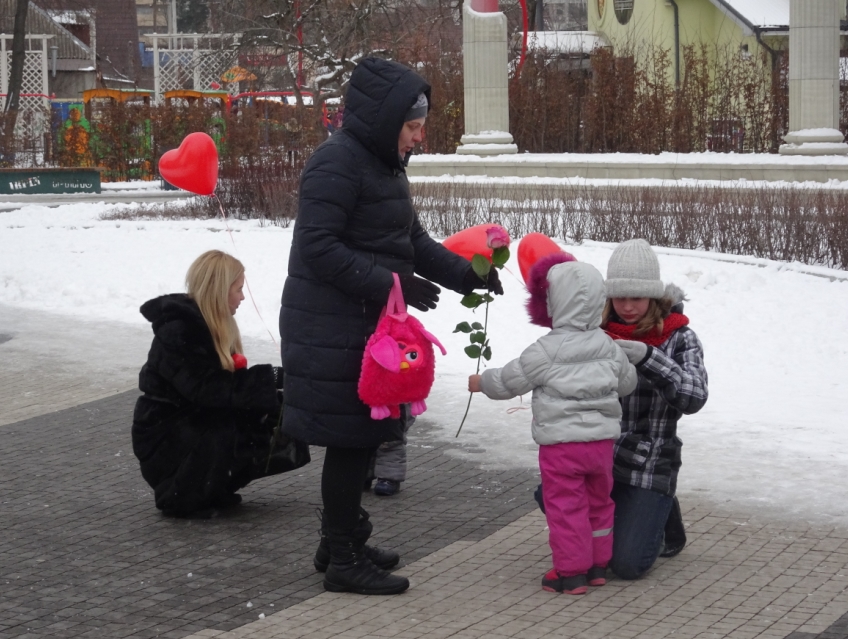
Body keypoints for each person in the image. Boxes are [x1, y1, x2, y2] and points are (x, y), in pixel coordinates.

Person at [279, 56, 502, 596]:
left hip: (366, 328)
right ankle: (345, 561)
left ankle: (340, 542)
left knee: (367, 435)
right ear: (385, 121)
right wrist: (390, 286)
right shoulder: (335, 163)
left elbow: (412, 243)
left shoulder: (382, 166)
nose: (419, 138)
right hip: (332, 327)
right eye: (413, 126)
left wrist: (467, 277)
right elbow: (318, 247)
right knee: (353, 440)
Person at [469, 258, 638, 595]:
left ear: (554, 303)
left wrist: (481, 381)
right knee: (599, 502)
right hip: (601, 445)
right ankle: (597, 564)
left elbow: (508, 382)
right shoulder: (608, 345)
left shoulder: (545, 350)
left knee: (566, 507)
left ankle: (571, 572)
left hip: (562, 446)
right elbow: (627, 384)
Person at [132, 250, 308, 519]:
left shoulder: (212, 324)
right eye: (238, 289)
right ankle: (182, 493)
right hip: (164, 438)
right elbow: (209, 389)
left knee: (273, 413)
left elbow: (226, 388)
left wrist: (279, 386)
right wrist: (270, 378)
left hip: (188, 425)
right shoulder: (179, 331)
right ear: (219, 290)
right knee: (229, 426)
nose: (242, 297)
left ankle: (213, 486)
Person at [602, 239, 709, 580]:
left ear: (654, 296)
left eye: (637, 297)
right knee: (552, 494)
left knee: (626, 565)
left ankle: (664, 517)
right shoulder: (597, 330)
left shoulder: (681, 337)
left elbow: (694, 397)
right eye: (620, 297)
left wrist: (649, 358)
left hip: (650, 458)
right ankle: (639, 510)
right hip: (601, 454)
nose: (628, 307)